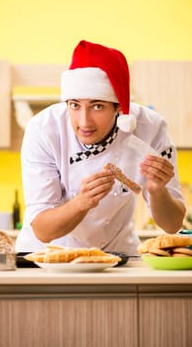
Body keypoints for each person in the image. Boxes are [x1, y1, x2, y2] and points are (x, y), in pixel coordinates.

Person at [15, 40, 186, 255]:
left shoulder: (149, 129)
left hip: (116, 256)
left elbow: (173, 225)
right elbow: (42, 229)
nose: (84, 122)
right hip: (47, 255)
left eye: (97, 106)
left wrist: (157, 191)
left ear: (118, 108)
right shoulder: (43, 130)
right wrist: (81, 202)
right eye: (75, 105)